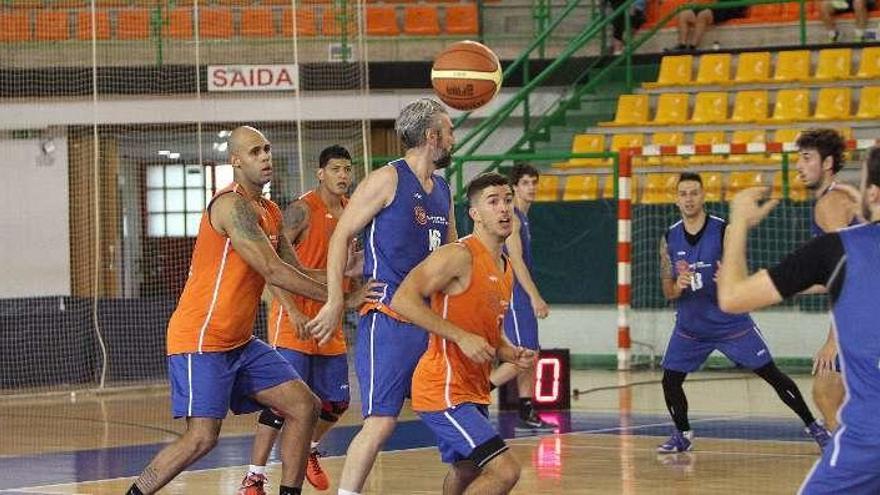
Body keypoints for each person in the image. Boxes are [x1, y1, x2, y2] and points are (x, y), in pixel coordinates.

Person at [126, 127, 371, 495]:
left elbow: (298, 268)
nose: (266, 157)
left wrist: (343, 275)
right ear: (236, 160)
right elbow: (273, 272)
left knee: (305, 406)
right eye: (256, 152)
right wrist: (342, 299)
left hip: (240, 341)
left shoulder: (269, 210)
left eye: (268, 150)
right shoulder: (230, 205)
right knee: (201, 438)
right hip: (202, 338)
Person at [305, 98, 458, 495]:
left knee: (459, 408)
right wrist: (339, 299)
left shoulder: (442, 188)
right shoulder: (386, 180)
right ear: (431, 136)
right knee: (382, 421)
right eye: (449, 129)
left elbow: (453, 255)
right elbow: (340, 237)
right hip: (389, 318)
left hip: (432, 320)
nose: (453, 137)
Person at [717, 147, 880, 494]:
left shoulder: (839, 249)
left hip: (871, 441)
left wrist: (739, 225)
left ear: (873, 194)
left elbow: (732, 297)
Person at [656, 172, 828, 454]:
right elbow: (668, 292)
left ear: (703, 196)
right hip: (691, 328)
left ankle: (814, 427)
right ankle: (683, 434)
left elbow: (739, 274)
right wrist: (678, 284)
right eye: (683, 193)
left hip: (730, 323)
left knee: (772, 375)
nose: (689, 199)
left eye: (694, 193)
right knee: (670, 380)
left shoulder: (724, 230)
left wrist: (728, 278)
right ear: (676, 199)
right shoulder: (668, 239)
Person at [391, 172, 536, 495]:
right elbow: (402, 300)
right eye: (493, 202)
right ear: (475, 214)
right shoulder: (458, 255)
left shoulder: (505, 267)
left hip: (473, 389)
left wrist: (508, 351)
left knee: (467, 469)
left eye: (508, 201)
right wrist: (460, 337)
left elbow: (485, 327)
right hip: (442, 389)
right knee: (505, 470)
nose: (503, 209)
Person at [239, 145, 357, 494]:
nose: (343, 175)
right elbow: (271, 263)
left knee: (335, 404)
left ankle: (308, 450)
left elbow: (346, 265)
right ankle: (254, 476)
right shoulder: (301, 211)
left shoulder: (353, 211)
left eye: (348, 169)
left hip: (328, 320)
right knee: (283, 405)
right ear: (320, 173)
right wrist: (290, 308)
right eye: (335, 168)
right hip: (294, 323)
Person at [795, 129, 860, 434]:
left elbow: (846, 270)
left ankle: (849, 463)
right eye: (798, 157)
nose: (798, 165)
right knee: (834, 391)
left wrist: (834, 340)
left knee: (825, 392)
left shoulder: (830, 204)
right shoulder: (838, 197)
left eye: (807, 158)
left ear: (828, 163)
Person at [488, 164, 554, 431]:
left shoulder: (523, 218)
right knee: (524, 355)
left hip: (520, 294)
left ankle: (526, 409)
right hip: (514, 294)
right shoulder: (513, 219)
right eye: (526, 183)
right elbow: (515, 261)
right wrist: (535, 297)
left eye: (534, 182)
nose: (531, 188)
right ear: (514, 187)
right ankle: (478, 392)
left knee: (530, 354)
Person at [666, 0, 747, 52]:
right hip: (714, 6)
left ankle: (692, 47)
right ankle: (681, 45)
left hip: (730, 7)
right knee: (684, 14)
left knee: (703, 14)